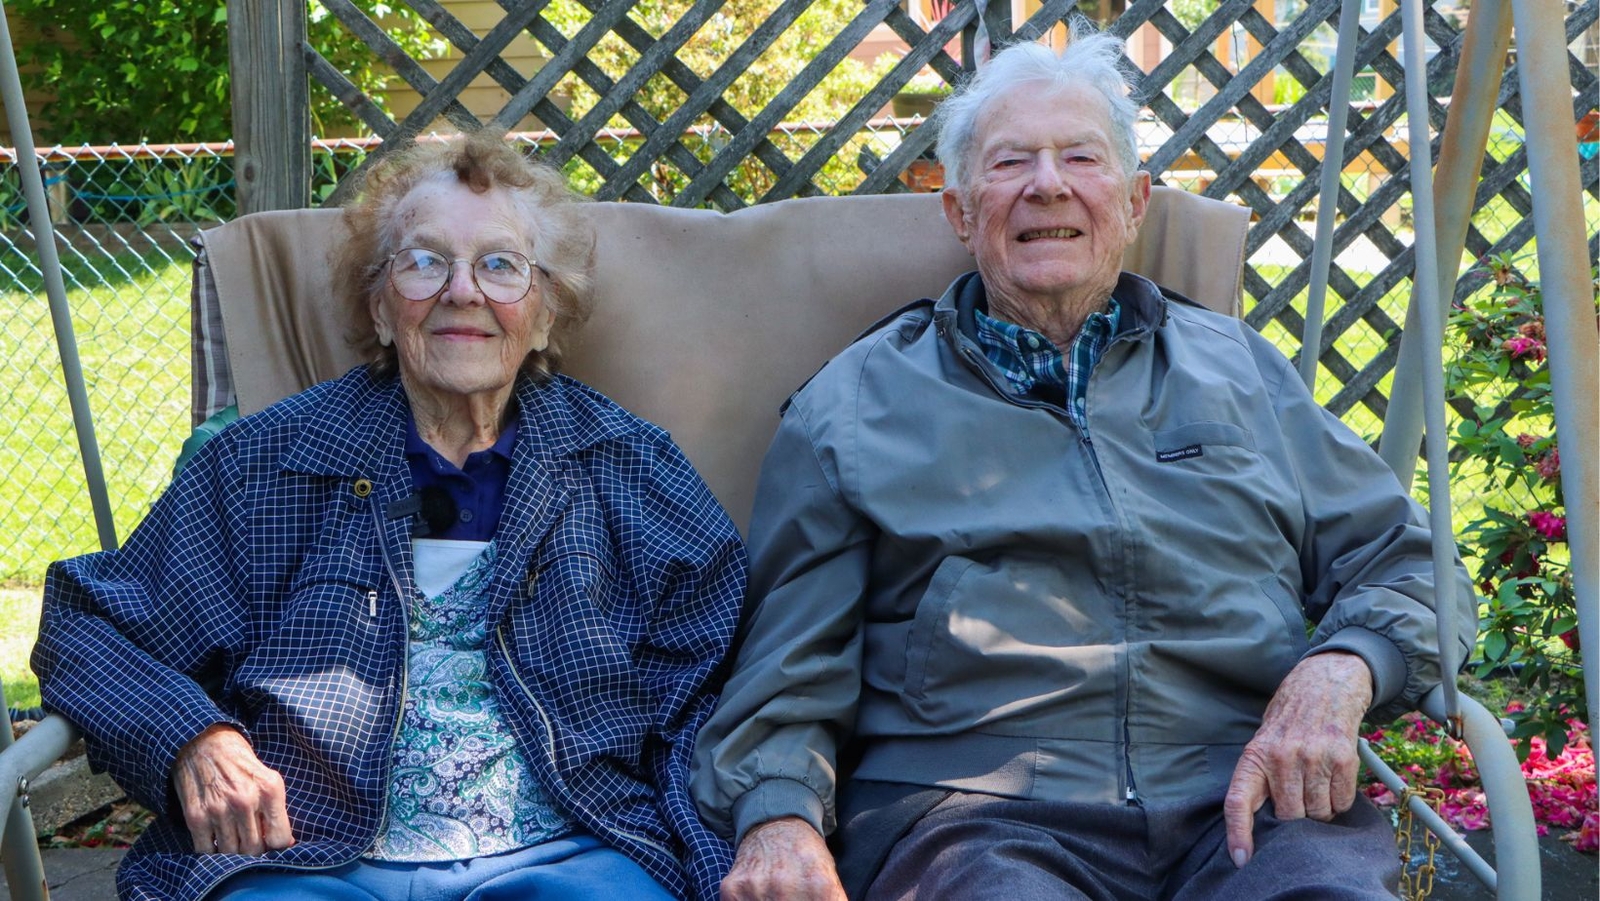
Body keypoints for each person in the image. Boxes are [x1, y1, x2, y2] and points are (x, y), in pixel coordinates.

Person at [691, 30, 1475, 901]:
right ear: (958, 211)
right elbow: (786, 666)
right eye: (1010, 162)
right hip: (975, 815)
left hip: (1247, 792)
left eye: (1080, 157)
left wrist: (1345, 666)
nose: (1048, 183)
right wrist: (778, 817)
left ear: (1134, 201)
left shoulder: (1240, 371)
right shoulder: (852, 404)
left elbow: (1404, 561)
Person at [33, 132, 746, 901]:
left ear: (544, 316)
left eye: (501, 265)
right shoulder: (264, 466)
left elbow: (708, 687)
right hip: (311, 857)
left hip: (572, 849)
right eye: (424, 261)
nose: (463, 291)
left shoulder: (629, 468)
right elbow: (88, 626)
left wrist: (743, 841)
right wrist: (191, 737)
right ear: (378, 307)